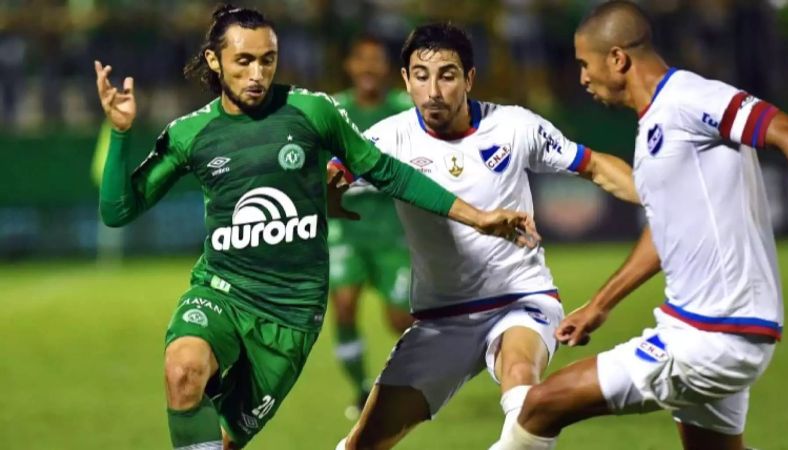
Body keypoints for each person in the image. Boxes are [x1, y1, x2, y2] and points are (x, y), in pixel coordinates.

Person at [93, 5, 536, 450]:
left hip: (292, 313)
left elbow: (389, 172)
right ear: (215, 61)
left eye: (267, 60)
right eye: (243, 61)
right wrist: (120, 132)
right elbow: (118, 211)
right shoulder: (191, 134)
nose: (257, 74)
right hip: (222, 291)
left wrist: (477, 216)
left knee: (225, 441)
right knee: (183, 369)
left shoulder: (311, 112)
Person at [490, 2, 788, 450]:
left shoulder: (689, 98)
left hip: (713, 337)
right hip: (703, 328)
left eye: (584, 64)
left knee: (541, 405)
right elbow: (665, 232)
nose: (581, 78)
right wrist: (601, 305)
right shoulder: (653, 124)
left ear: (617, 58)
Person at [335, 23, 640, 450]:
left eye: (447, 74)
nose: (434, 90)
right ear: (405, 80)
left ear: (469, 78)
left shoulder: (514, 126)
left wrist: (656, 196)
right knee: (361, 445)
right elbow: (328, 177)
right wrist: (323, 189)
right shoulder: (389, 138)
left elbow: (593, 166)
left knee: (521, 384)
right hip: (442, 319)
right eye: (421, 76)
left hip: (521, 299)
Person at [327, 34, 417, 420]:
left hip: (393, 230)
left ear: (389, 69)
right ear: (349, 66)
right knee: (344, 305)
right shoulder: (333, 111)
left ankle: (418, 381)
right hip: (345, 230)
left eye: (376, 61)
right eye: (360, 60)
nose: (368, 68)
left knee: (400, 318)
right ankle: (362, 390)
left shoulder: (404, 110)